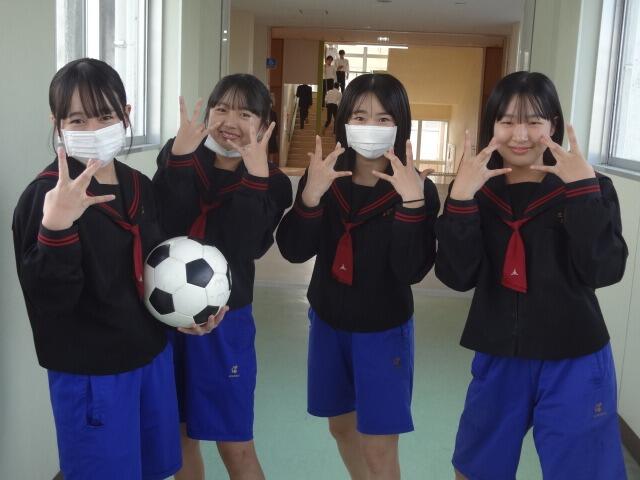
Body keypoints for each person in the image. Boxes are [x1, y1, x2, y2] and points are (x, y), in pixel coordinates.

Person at [12, 58, 226, 480]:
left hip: (150, 359)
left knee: (151, 469)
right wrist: (57, 227)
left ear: (126, 115)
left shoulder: (137, 185)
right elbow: (48, 301)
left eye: (105, 116)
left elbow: (156, 269)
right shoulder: (45, 197)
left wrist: (186, 314)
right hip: (93, 377)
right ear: (57, 124)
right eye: (78, 120)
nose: (94, 130)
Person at [435, 71, 629, 480]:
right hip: (498, 353)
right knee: (473, 470)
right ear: (492, 126)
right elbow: (456, 275)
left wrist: (583, 193)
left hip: (574, 355)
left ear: (553, 125)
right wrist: (461, 200)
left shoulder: (587, 185)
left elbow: (604, 269)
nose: (519, 135)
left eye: (534, 121)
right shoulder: (476, 188)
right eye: (507, 121)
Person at [276, 73, 439, 480]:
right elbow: (294, 250)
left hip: (384, 329)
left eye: (384, 119)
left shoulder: (416, 186)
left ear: (400, 124)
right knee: (340, 427)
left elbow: (411, 270)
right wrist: (310, 196)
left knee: (379, 445)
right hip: (328, 321)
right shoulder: (326, 175)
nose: (370, 127)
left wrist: (412, 204)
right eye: (360, 116)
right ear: (345, 120)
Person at [153, 73, 293, 480]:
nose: (230, 121)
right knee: (179, 438)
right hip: (169, 314)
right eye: (221, 109)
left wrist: (254, 178)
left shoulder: (273, 181)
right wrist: (179, 159)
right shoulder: (181, 154)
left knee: (235, 444)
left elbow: (245, 245)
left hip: (226, 320)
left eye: (245, 114)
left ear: (264, 125)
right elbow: (165, 223)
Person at [268, 92, 279, 164]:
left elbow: (275, 124)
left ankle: (271, 162)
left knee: (271, 149)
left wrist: (276, 133)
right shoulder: (263, 112)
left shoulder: (273, 113)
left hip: (272, 133)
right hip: (265, 133)